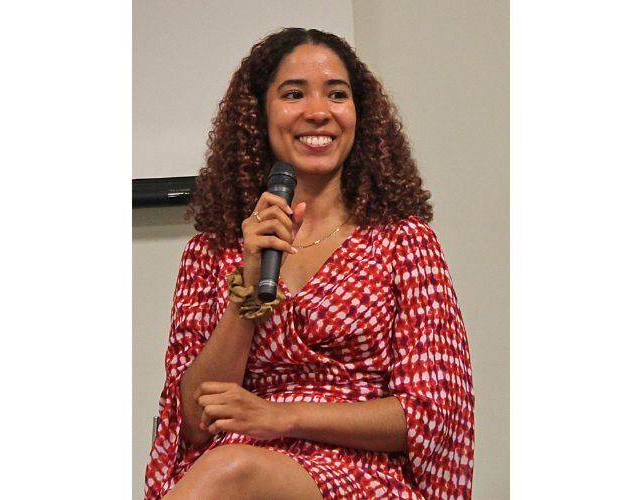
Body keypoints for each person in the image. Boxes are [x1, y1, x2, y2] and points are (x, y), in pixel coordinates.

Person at [145, 27, 474, 500]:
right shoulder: (211, 252)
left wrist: (281, 416)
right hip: (229, 463)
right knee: (225, 466)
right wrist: (247, 286)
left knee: (229, 470)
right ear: (260, 115)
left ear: (358, 115)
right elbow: (194, 423)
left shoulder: (404, 243)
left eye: (336, 94)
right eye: (294, 94)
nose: (318, 111)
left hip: (363, 472)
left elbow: (433, 411)